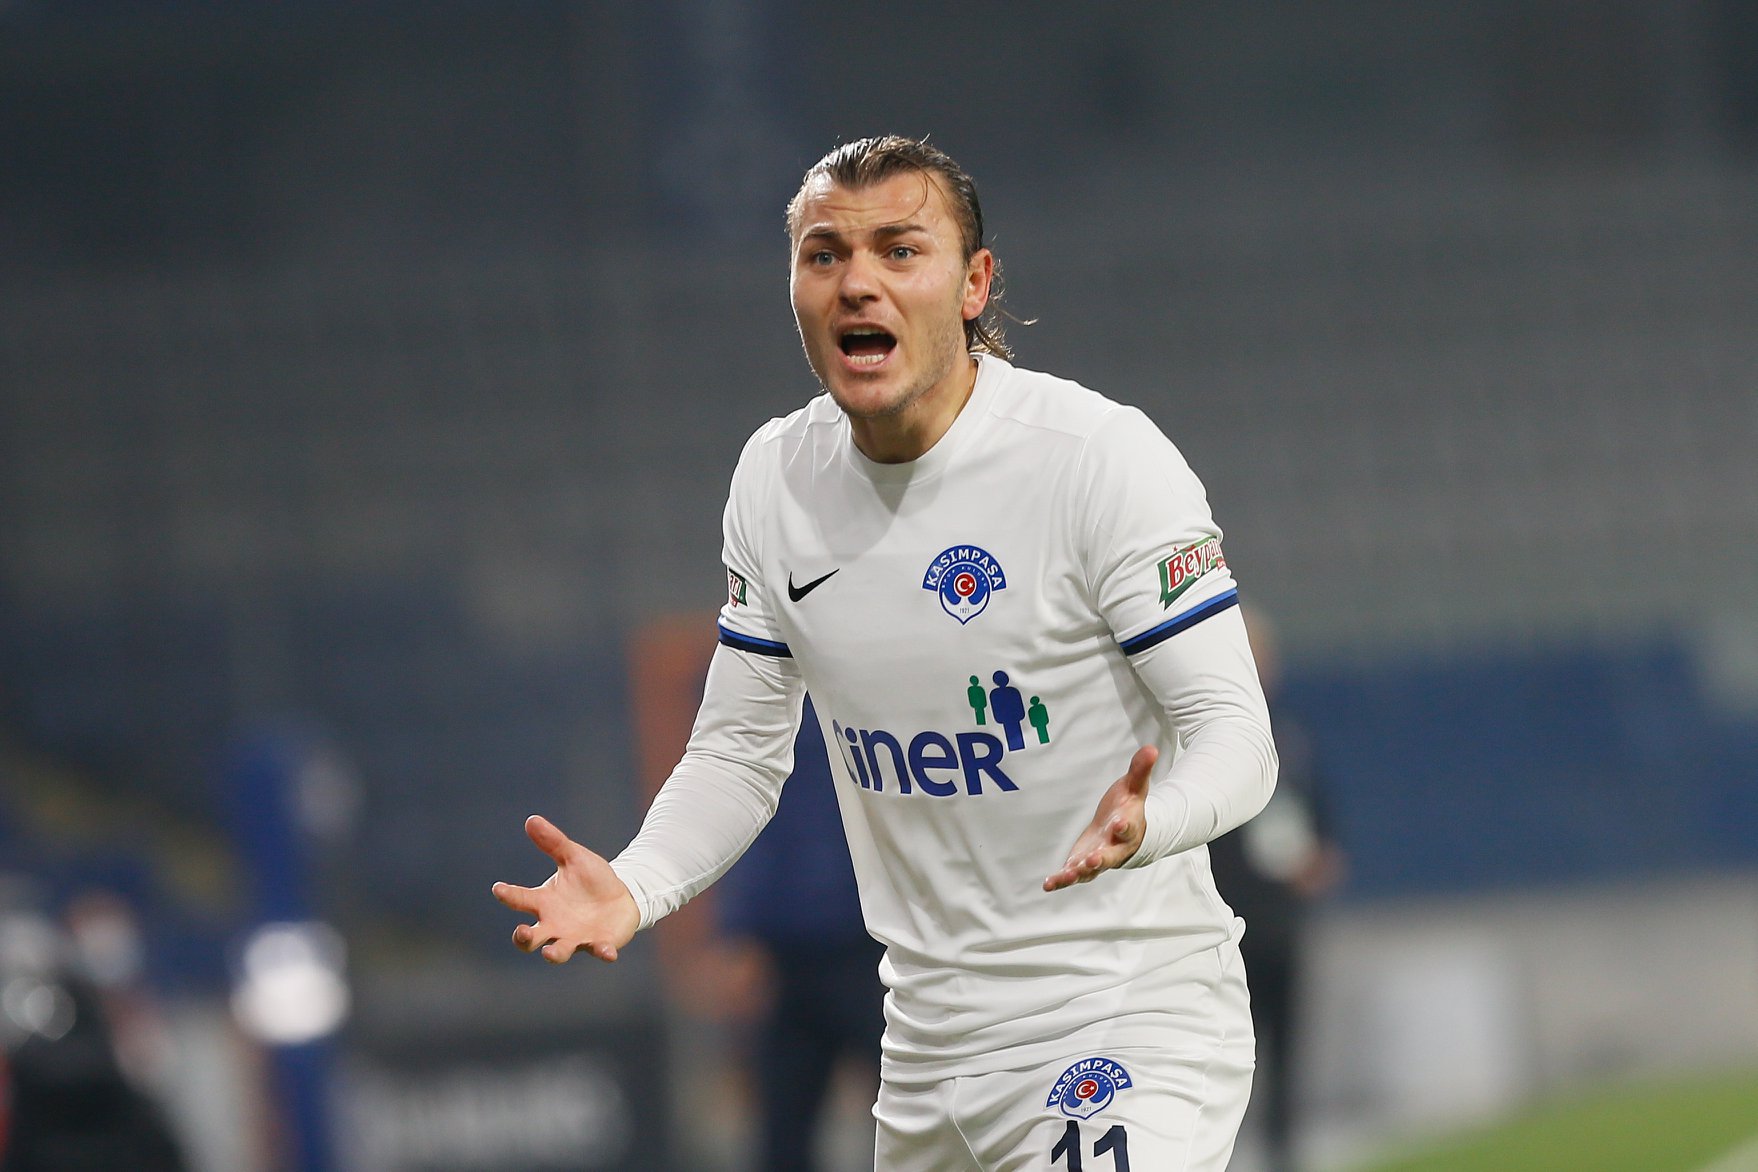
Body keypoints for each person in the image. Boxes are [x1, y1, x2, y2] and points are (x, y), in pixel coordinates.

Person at [494, 134, 1278, 1172]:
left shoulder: (1097, 461)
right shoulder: (778, 478)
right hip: (926, 1051)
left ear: (974, 283)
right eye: (824, 255)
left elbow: (1237, 738)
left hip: (1122, 1012)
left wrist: (1154, 820)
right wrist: (636, 886)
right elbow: (737, 752)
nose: (857, 281)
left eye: (900, 250)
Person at [1207, 609, 1345, 1172]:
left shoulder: (1290, 737)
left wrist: (1322, 857)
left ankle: (1283, 1152)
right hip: (1226, 920)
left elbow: (1319, 812)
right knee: (1227, 1047)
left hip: (1283, 918)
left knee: (1286, 1043)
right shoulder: (1206, 740)